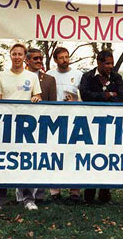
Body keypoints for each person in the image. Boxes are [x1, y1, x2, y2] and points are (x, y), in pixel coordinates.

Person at [0, 43, 42, 212]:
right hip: (6, 125)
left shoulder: (32, 77)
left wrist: (36, 98)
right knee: (2, 162)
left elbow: (37, 96)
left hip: (26, 126)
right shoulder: (1, 76)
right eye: (14, 54)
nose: (17, 57)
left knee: (25, 162)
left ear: (25, 57)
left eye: (20, 54)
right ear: (10, 56)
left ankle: (28, 199)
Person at [79, 51, 123, 203]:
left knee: (107, 156)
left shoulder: (116, 77)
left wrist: (106, 96)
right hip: (91, 122)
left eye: (112, 63)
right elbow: (85, 95)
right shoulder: (88, 76)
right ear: (99, 63)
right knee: (91, 157)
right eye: (107, 63)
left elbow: (122, 98)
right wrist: (106, 95)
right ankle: (89, 194)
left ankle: (105, 194)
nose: (110, 66)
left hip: (110, 122)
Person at [46, 47, 83, 202]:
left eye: (66, 57)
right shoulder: (49, 75)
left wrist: (76, 101)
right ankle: (55, 190)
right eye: (61, 57)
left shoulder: (78, 75)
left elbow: (83, 97)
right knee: (55, 153)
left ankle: (74, 190)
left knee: (73, 153)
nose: (64, 60)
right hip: (54, 118)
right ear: (55, 59)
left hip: (73, 119)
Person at [25, 48, 57, 202]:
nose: (39, 61)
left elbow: (53, 105)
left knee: (42, 158)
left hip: (43, 124)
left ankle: (39, 195)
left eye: (40, 58)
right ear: (27, 60)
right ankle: (23, 194)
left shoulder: (50, 80)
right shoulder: (20, 77)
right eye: (35, 58)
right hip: (23, 123)